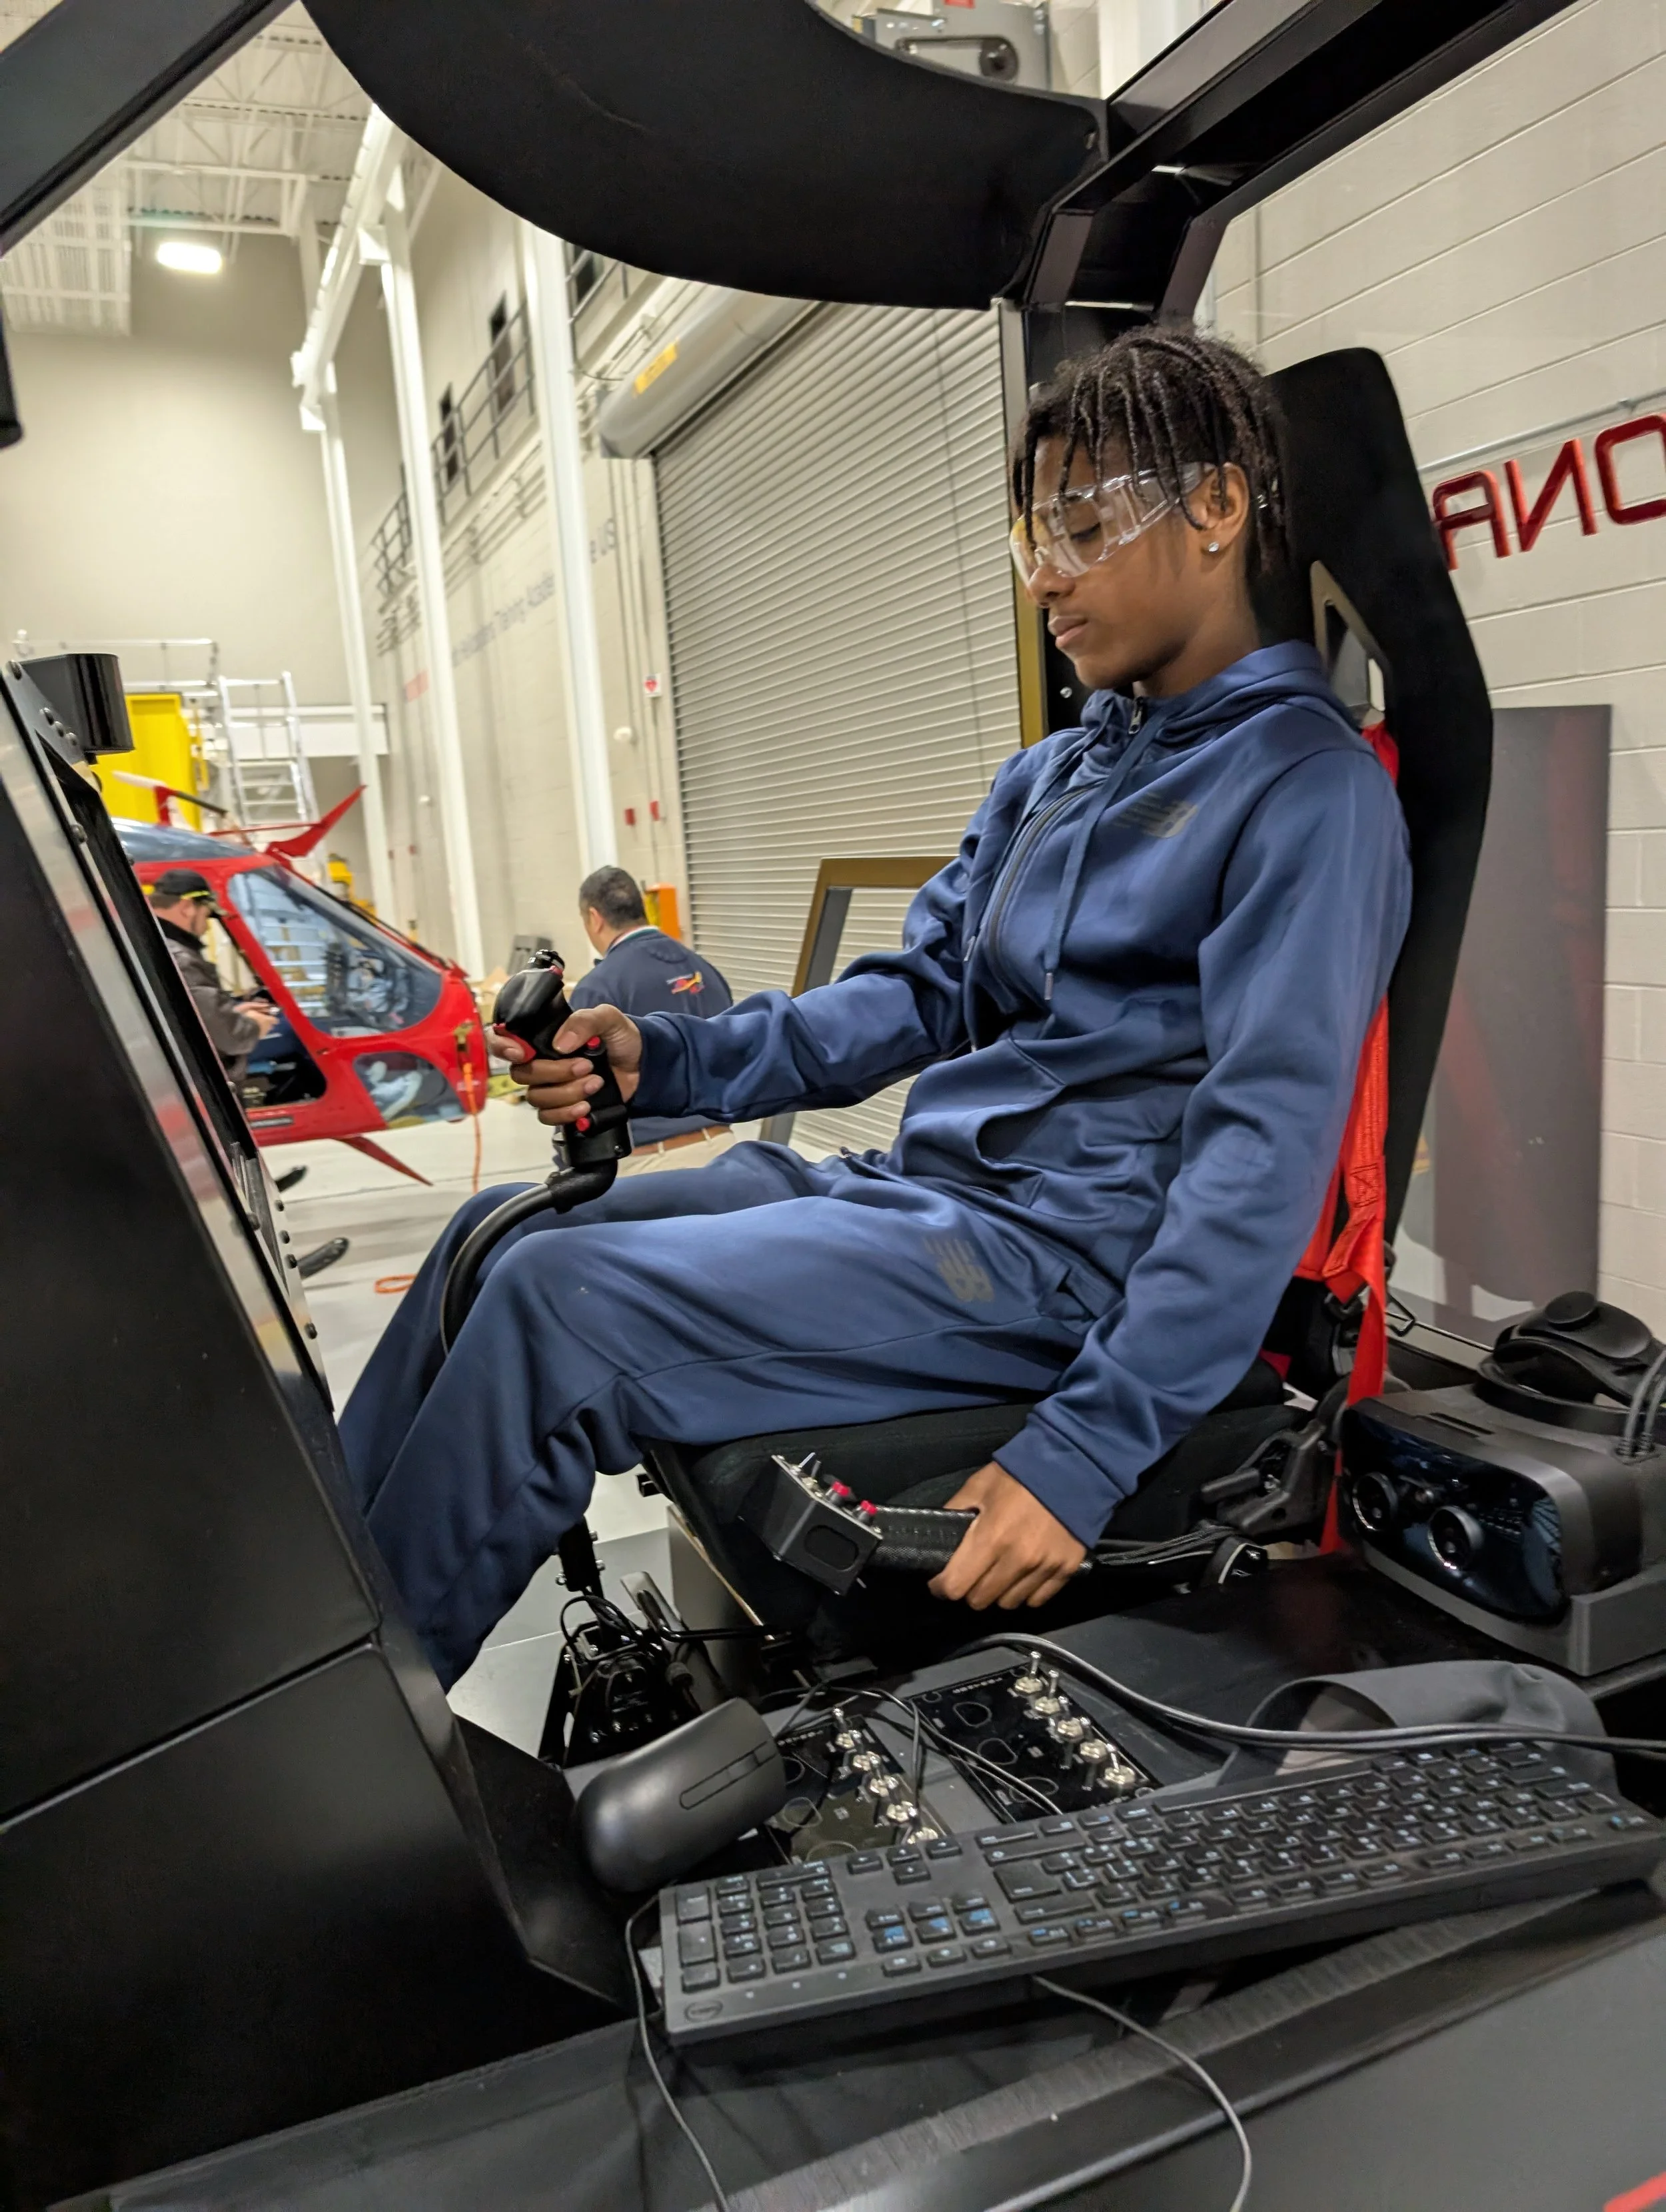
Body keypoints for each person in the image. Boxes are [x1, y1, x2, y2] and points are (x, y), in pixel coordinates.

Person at [343, 326, 1411, 1691]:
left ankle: (362, 1771)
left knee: (564, 1305)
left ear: (1213, 509)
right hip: (926, 1197)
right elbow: (914, 995)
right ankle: (318, 1639)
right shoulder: (1054, 778)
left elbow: (1260, 1156)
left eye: (1081, 528)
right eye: (1032, 534)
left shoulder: (1305, 792)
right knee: (492, 1233)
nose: (1042, 575)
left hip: (1065, 1265)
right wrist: (657, 1058)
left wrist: (1079, 1450)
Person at [567, 865, 736, 1161]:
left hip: (653, 1163)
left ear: (595, 918)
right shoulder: (705, 970)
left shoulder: (597, 990)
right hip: (726, 1149)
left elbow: (580, 1094)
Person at [147, 867, 279, 1082]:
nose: (206, 928)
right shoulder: (181, 958)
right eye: (206, 916)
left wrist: (233, 1011)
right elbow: (232, 1037)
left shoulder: (155, 944)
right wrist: (254, 1027)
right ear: (188, 907)